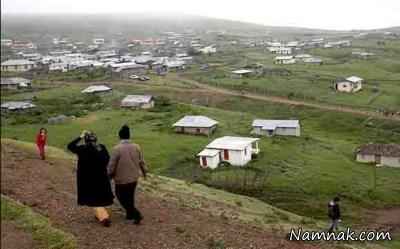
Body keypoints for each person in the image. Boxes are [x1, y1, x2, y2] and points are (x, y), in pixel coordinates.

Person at [67, 131, 114, 227]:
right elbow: (107, 160)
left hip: (87, 179)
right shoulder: (101, 147)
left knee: (94, 199)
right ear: (95, 139)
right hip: (101, 177)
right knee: (100, 197)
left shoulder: (82, 149)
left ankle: (104, 217)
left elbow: (70, 146)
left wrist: (80, 136)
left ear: (86, 140)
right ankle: (99, 214)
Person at [108, 125, 147, 224]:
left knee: (120, 196)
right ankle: (129, 215)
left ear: (120, 136)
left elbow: (112, 165)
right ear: (129, 136)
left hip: (121, 179)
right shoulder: (136, 146)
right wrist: (144, 172)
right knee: (130, 196)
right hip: (134, 178)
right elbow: (141, 162)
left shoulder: (117, 149)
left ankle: (136, 214)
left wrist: (108, 175)